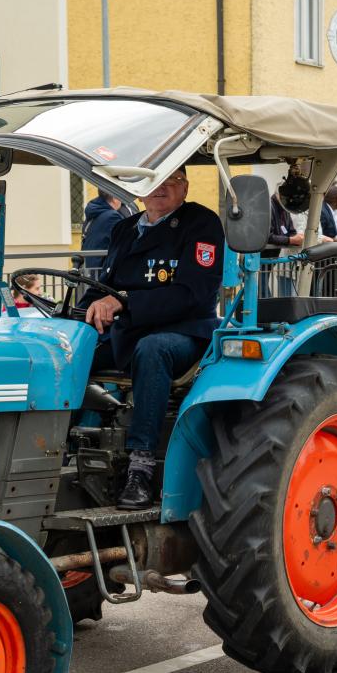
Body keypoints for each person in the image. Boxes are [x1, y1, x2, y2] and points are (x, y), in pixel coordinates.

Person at [78, 166, 224, 509]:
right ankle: (67, 446)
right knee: (66, 351)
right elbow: (105, 287)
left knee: (152, 349)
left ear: (185, 187)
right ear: (140, 189)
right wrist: (73, 316)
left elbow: (194, 294)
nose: (161, 188)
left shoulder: (201, 224)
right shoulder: (126, 228)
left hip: (185, 332)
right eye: (154, 181)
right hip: (128, 332)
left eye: (172, 180)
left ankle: (140, 468)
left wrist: (125, 302)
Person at [82, 190, 126, 271]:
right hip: (103, 270)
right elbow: (124, 243)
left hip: (90, 269)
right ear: (114, 198)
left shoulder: (93, 213)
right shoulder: (113, 216)